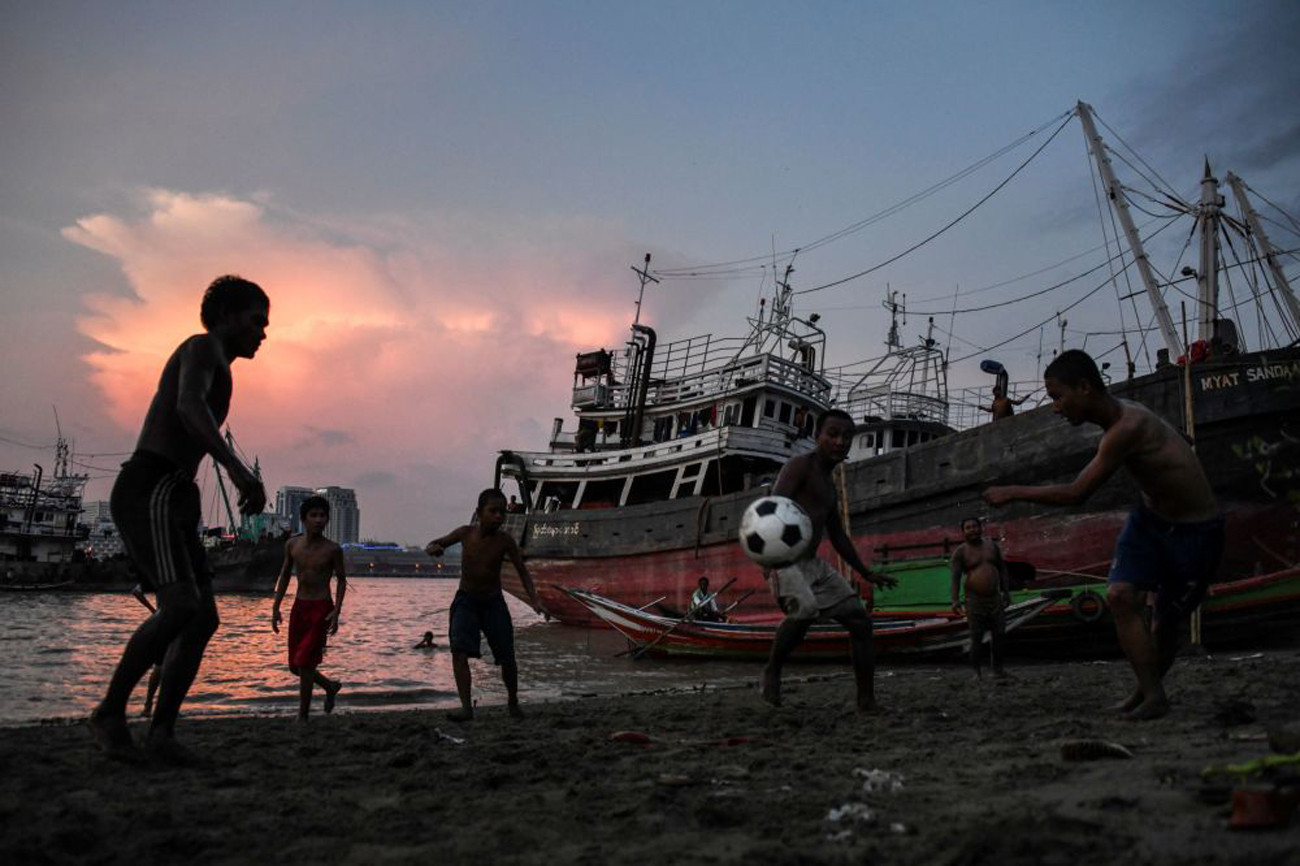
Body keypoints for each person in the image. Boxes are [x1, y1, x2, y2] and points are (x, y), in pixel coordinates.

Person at [984, 350, 1223, 720]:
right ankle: (1151, 694)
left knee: (1166, 618)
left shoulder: (1124, 429)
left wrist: (1012, 491)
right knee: (1120, 595)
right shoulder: (1127, 413)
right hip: (1151, 519)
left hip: (1195, 529)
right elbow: (1174, 435)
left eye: (1057, 397)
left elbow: (1076, 494)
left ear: (1084, 387)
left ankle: (1149, 694)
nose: (1056, 408)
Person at [89, 275, 269, 765]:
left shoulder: (221, 366)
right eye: (257, 321)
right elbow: (188, 406)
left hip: (176, 493)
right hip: (152, 485)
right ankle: (109, 712)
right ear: (229, 316)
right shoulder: (202, 348)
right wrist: (234, 467)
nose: (264, 333)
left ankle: (162, 732)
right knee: (180, 604)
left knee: (202, 616)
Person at [761, 409, 898, 712]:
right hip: (786, 560)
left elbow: (837, 536)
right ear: (817, 436)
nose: (840, 442)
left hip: (814, 564)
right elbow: (773, 506)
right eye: (832, 434)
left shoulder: (829, 484)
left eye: (846, 437)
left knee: (860, 622)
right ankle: (772, 669)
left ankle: (866, 701)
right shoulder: (799, 467)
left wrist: (865, 572)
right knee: (805, 611)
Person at [424, 489, 543, 721]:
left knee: (507, 656)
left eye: (502, 512)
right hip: (466, 599)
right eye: (493, 511)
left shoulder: (505, 541)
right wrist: (433, 549)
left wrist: (535, 600)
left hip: (493, 602)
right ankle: (467, 708)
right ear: (479, 513)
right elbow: (436, 543)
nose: (499, 516)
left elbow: (522, 571)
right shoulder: (465, 533)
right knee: (459, 651)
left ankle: (513, 702)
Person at [272, 495, 346, 721]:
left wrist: (337, 612)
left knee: (305, 662)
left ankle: (302, 716)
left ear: (327, 520)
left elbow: (342, 580)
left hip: (321, 609)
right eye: (313, 515)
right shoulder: (292, 544)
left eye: (322, 516)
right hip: (299, 607)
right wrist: (276, 607)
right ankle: (330, 686)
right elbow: (285, 574)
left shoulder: (333, 549)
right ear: (304, 519)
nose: (318, 520)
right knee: (295, 666)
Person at [949, 517, 1011, 680]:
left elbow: (1002, 569)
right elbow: (955, 577)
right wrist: (955, 600)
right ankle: (976, 672)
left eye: (975, 526)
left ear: (981, 528)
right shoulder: (960, 552)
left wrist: (1006, 591)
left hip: (995, 598)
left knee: (999, 634)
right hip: (974, 600)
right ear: (963, 532)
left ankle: (997, 670)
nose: (972, 530)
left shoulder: (992, 546)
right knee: (976, 636)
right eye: (968, 528)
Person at [129, 584, 163, 717]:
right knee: (161, 667)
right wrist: (154, 612)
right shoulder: (164, 574)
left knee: (162, 667)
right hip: (166, 622)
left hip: (169, 621)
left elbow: (137, 591)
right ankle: (149, 705)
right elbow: (137, 591)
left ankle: (150, 705)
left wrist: (154, 612)